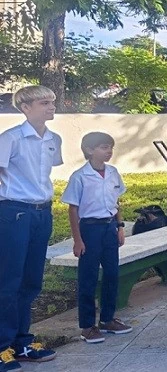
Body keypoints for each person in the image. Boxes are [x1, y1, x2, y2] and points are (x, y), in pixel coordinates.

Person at [0, 85, 62, 370]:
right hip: (15, 212)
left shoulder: (53, 139)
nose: (51, 106)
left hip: (42, 213)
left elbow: (44, 177)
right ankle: (2, 347)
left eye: (52, 101)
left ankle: (23, 342)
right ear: (25, 107)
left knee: (31, 281)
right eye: (43, 102)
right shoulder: (10, 139)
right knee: (8, 281)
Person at [62, 132, 132, 344]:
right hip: (90, 230)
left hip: (109, 227)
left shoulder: (113, 172)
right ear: (90, 150)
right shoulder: (80, 176)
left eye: (110, 147)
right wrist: (78, 240)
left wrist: (120, 227)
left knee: (112, 273)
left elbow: (116, 202)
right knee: (88, 277)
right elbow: (73, 210)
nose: (109, 151)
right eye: (103, 147)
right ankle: (87, 326)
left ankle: (108, 319)